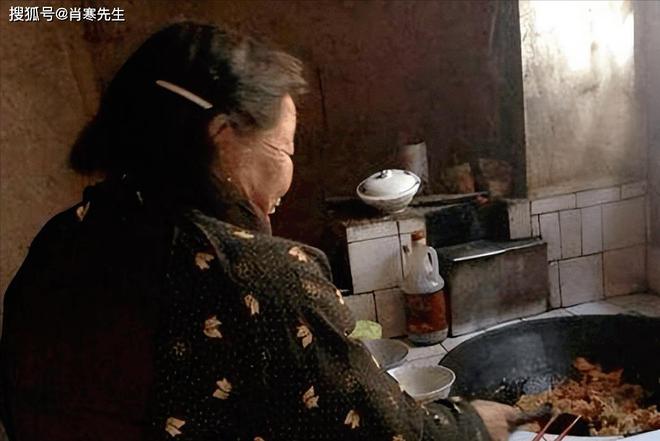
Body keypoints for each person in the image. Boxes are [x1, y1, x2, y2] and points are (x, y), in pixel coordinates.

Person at [0, 22, 516, 441]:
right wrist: (471, 425)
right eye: (284, 149)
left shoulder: (62, 239)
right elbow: (385, 432)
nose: (289, 175)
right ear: (223, 136)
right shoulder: (256, 276)